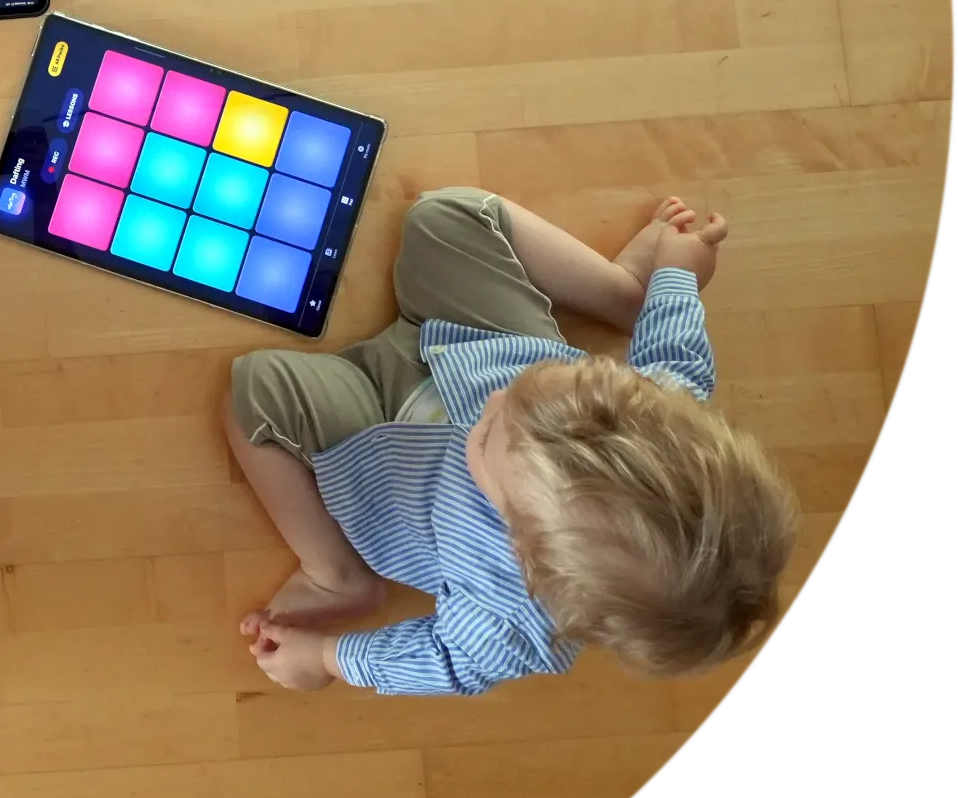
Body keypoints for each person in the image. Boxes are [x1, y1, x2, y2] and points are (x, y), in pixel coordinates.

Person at [227, 189, 798, 697]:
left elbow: (446, 662)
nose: (497, 400)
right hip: (476, 343)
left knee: (252, 389)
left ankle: (335, 575)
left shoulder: (507, 616)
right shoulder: (658, 406)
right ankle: (620, 293)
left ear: (524, 550)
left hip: (377, 449)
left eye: (491, 433)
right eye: (554, 386)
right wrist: (673, 279)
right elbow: (676, 357)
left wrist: (328, 658)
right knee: (451, 213)